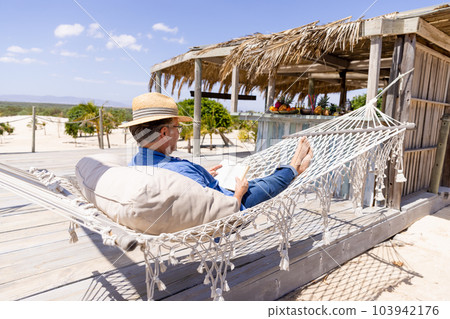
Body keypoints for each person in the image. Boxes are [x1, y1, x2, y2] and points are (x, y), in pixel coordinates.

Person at [120, 92, 313, 210]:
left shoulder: (136, 163)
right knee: (265, 184)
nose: (179, 133)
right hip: (230, 208)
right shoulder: (181, 173)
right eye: (177, 127)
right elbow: (218, 211)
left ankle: (292, 168)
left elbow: (186, 187)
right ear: (164, 132)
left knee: (257, 180)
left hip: (208, 192)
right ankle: (295, 166)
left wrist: (203, 176)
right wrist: (239, 194)